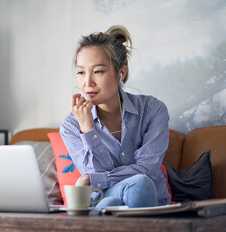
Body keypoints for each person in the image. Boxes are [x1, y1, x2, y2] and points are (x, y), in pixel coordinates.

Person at [60, 25, 171, 209]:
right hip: (105, 197)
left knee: (138, 185)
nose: (87, 83)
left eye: (98, 71)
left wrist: (94, 179)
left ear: (121, 73)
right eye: (81, 72)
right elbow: (93, 176)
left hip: (150, 202)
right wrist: (87, 130)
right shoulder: (72, 125)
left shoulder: (153, 110)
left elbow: (148, 170)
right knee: (110, 200)